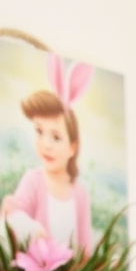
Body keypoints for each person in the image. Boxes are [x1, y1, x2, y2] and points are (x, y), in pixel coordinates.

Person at [1, 54, 93, 253]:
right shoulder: (33, 180)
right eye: (39, 132)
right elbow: (14, 212)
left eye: (56, 137)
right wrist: (27, 225)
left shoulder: (80, 193)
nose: (46, 145)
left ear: (72, 147)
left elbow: (85, 247)